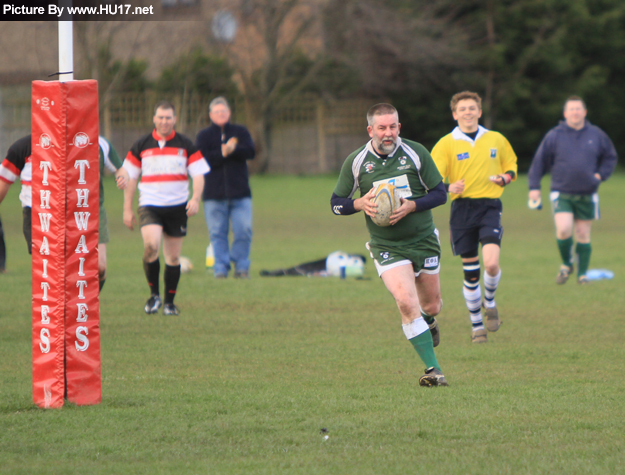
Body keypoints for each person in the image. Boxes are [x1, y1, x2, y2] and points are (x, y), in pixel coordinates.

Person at [331, 103, 449, 387]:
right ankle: (433, 370)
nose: (388, 133)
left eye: (393, 127)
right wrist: (358, 203)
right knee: (405, 301)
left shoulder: (416, 152)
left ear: (399, 127)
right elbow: (336, 203)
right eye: (382, 128)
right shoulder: (357, 161)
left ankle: (427, 320)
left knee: (431, 305)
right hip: (387, 245)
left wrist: (412, 206)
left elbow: (440, 194)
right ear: (370, 130)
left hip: (423, 240)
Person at [431, 91, 518, 344]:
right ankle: (476, 325)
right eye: (463, 109)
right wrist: (448, 187)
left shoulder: (496, 139)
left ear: (479, 112)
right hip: (462, 210)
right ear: (454, 114)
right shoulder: (446, 143)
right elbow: (432, 179)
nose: (468, 112)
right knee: (471, 272)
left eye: (472, 108)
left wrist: (505, 178)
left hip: (490, 206)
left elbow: (511, 167)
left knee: (491, 264)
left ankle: (489, 301)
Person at [0, 134, 128, 289]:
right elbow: (4, 181)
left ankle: (85, 307)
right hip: (37, 214)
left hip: (79, 212)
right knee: (56, 271)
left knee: (98, 268)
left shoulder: (87, 142)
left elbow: (121, 168)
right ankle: (64, 311)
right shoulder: (23, 146)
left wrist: (122, 177)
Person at [122, 101, 209, 316]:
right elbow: (130, 177)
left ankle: (169, 303)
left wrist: (195, 199)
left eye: (168, 118)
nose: (164, 121)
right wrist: (127, 209)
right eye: (160, 117)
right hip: (150, 205)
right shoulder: (141, 144)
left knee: (172, 257)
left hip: (177, 207)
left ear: (174, 119)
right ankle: (154, 296)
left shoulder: (185, 144)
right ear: (154, 119)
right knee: (151, 247)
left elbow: (198, 174)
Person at [528, 96, 617, 285]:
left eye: (578, 109)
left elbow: (610, 156)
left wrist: (601, 175)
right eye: (571, 109)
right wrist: (534, 187)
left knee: (583, 233)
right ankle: (567, 263)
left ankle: (582, 274)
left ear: (584, 112)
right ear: (565, 113)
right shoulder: (555, 135)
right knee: (563, 229)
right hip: (562, 191)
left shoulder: (596, 134)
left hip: (588, 192)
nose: (575, 112)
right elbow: (539, 161)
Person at [195, 97, 255, 279]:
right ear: (211, 115)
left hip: (240, 193)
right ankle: (220, 268)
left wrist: (233, 150)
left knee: (243, 229)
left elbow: (250, 152)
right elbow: (201, 159)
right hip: (214, 194)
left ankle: (241, 265)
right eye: (217, 112)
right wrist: (222, 153)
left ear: (229, 113)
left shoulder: (240, 131)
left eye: (224, 112)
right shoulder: (204, 136)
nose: (221, 115)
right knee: (217, 233)